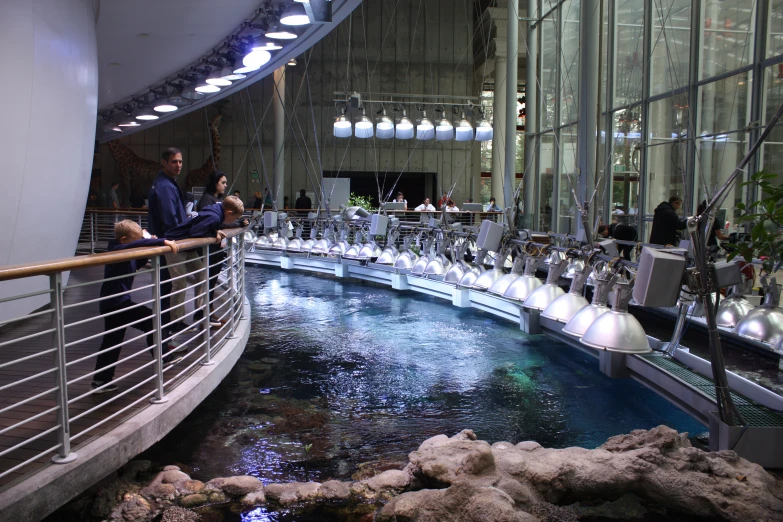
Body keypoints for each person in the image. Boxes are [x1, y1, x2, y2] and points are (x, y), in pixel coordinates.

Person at [92, 220, 182, 393]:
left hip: (112, 303)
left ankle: (100, 380)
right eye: (137, 240)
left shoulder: (125, 252)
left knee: (112, 341)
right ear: (124, 240)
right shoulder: (116, 250)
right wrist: (160, 241)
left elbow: (135, 264)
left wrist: (148, 241)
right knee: (152, 321)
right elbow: (136, 248)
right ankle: (164, 357)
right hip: (118, 303)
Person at [164, 195, 246, 331]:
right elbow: (196, 232)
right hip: (177, 246)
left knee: (203, 274)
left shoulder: (216, 211)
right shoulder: (214, 216)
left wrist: (215, 231)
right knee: (180, 284)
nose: (234, 220)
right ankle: (176, 322)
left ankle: (201, 313)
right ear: (229, 213)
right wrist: (215, 234)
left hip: (188, 248)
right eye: (235, 218)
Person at [148, 147, 187, 334]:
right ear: (164, 163)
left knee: (169, 284)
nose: (178, 165)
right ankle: (169, 328)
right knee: (172, 284)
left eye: (180, 161)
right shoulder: (165, 186)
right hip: (170, 243)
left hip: (168, 241)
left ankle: (169, 326)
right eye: (174, 162)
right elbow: (169, 218)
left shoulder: (164, 183)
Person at [198, 172, 246, 325]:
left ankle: (207, 312)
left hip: (215, 249)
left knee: (211, 281)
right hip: (209, 249)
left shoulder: (216, 200)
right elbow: (217, 223)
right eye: (223, 182)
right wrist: (238, 224)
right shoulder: (208, 200)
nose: (226, 185)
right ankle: (203, 314)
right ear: (215, 183)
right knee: (207, 281)